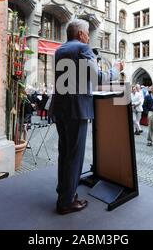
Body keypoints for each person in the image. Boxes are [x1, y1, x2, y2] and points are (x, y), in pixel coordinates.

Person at [50, 19, 123, 215]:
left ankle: (64, 190)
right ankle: (66, 201)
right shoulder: (83, 49)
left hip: (61, 109)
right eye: (88, 33)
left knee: (64, 153)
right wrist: (116, 69)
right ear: (81, 34)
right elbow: (98, 78)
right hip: (77, 110)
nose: (89, 37)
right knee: (74, 156)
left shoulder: (60, 50)